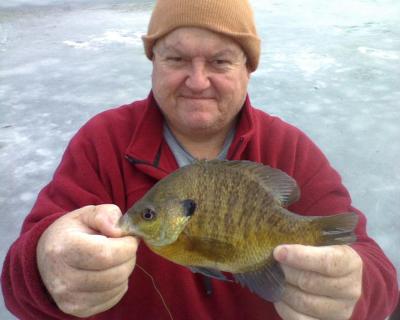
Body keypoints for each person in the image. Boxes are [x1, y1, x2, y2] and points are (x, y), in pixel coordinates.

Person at [1, 0, 398, 319]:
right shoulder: (101, 143)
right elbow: (18, 286)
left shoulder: (289, 148)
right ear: (153, 61)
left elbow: (378, 276)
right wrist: (47, 265)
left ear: (248, 68)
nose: (197, 81)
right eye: (176, 59)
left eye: (220, 61)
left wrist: (353, 291)